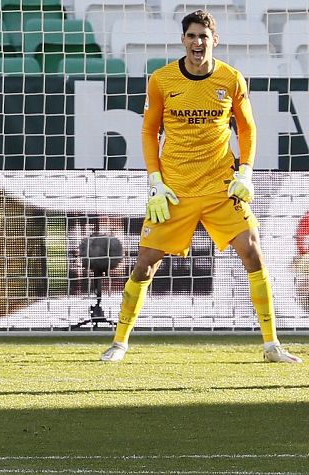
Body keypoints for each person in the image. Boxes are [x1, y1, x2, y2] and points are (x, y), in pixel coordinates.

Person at [100, 10, 302, 364]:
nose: (197, 43)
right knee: (145, 264)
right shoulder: (162, 80)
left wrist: (246, 172)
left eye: (203, 37)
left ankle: (272, 344)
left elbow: (248, 128)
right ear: (183, 40)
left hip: (220, 186)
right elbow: (148, 131)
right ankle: (119, 342)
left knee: (253, 251)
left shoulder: (231, 78)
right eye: (191, 36)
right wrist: (155, 181)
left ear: (214, 40)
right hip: (175, 189)